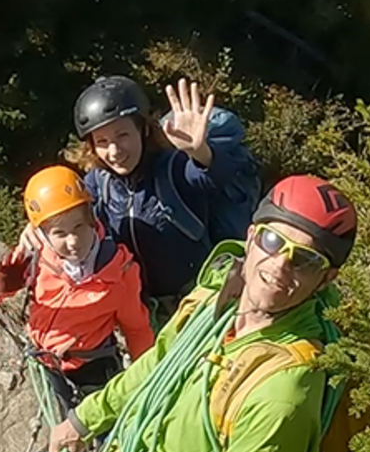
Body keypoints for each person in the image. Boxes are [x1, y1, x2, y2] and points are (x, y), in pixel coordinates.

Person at [47, 174, 358, 452]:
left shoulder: (285, 392)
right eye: (273, 241)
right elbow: (158, 363)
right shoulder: (220, 293)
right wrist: (84, 418)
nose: (279, 266)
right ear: (252, 237)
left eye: (305, 260)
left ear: (326, 277)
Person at [0, 165, 154, 452]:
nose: (72, 241)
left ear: (92, 220)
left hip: (94, 361)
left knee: (101, 417)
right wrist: (0, 286)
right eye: (59, 232)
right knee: (60, 409)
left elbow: (136, 327)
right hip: (48, 359)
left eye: (79, 228)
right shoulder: (33, 258)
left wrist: (147, 375)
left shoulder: (118, 269)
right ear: (42, 232)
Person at [65, 75, 250, 325]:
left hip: (199, 302)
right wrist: (37, 230)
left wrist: (199, 152)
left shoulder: (172, 167)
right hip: (146, 310)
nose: (114, 151)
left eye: (122, 135)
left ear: (143, 129)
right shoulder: (100, 182)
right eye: (102, 142)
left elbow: (209, 176)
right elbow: (71, 215)